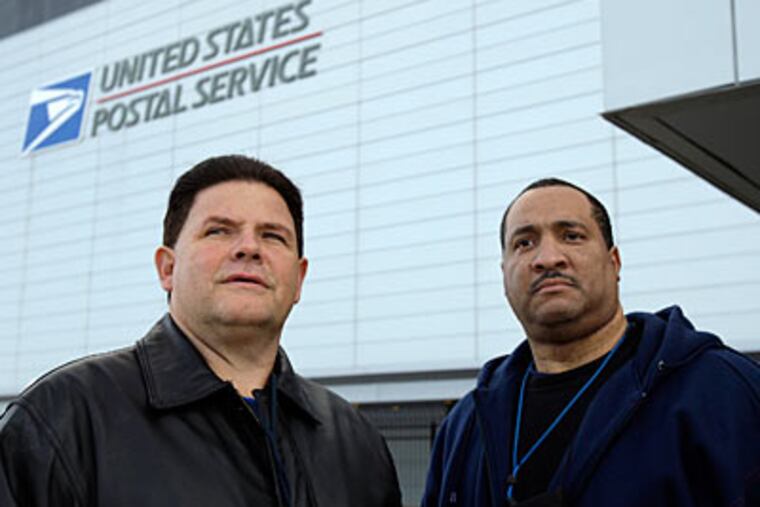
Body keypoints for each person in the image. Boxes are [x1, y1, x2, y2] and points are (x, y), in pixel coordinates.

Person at [0, 155, 402, 507]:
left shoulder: (356, 441)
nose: (249, 248)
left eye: (272, 235)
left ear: (299, 280)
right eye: (219, 230)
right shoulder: (65, 419)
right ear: (167, 268)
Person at [421, 178, 760, 507]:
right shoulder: (464, 426)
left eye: (571, 236)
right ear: (504, 275)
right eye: (524, 243)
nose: (548, 258)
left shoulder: (723, 391)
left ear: (614, 263)